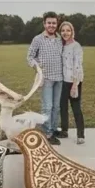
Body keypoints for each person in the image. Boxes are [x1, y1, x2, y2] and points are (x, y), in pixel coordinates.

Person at [27, 11, 63, 145]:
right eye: (49, 23)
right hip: (46, 78)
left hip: (59, 78)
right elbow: (30, 57)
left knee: (56, 107)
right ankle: (47, 134)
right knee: (47, 107)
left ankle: (53, 128)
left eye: (54, 23)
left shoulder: (60, 39)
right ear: (44, 23)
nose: (52, 25)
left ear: (57, 24)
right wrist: (38, 69)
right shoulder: (38, 39)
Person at [58, 21, 86, 145]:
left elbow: (78, 66)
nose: (65, 33)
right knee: (63, 107)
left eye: (68, 30)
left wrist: (75, 85)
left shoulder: (76, 46)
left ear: (72, 31)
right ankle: (64, 131)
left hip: (74, 81)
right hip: (63, 81)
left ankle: (81, 135)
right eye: (63, 30)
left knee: (76, 108)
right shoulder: (61, 45)